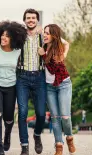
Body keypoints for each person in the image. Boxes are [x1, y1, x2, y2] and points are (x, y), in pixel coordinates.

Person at [16, 8, 70, 155]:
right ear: (24, 20)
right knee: (22, 112)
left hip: (39, 77)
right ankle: (25, 146)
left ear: (37, 20)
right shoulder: (19, 35)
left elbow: (62, 41)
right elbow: (4, 38)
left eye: (33, 18)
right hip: (22, 77)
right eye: (28, 18)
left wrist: (44, 34)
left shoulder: (44, 36)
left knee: (41, 114)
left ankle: (37, 135)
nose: (31, 20)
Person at [0, 21, 27, 155]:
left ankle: (8, 134)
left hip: (11, 86)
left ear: (14, 38)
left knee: (9, 118)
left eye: (7, 36)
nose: (4, 38)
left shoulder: (18, 51)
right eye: (2, 35)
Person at [38, 24, 76, 155]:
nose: (45, 35)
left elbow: (53, 67)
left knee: (65, 116)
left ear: (54, 35)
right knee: (55, 117)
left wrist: (44, 55)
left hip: (63, 84)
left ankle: (69, 137)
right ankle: (59, 145)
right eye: (44, 33)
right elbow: (67, 43)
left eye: (48, 33)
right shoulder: (44, 46)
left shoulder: (57, 48)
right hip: (49, 87)